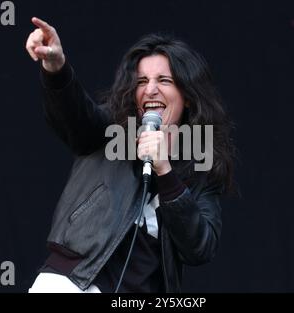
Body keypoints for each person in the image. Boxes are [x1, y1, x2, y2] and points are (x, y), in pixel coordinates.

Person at [25, 16, 234, 293]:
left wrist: (165, 171)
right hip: (73, 282)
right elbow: (74, 115)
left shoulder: (200, 169)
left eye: (164, 80)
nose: (150, 90)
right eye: (142, 81)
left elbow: (200, 247)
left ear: (188, 94)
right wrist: (56, 68)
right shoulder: (112, 130)